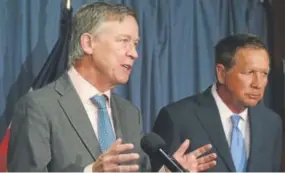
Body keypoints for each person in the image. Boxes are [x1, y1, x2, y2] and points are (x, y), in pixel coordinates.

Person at [7, 2, 217, 172]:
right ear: (88, 43)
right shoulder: (38, 107)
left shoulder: (129, 113)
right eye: (124, 41)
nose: (134, 53)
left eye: (135, 43)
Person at [152, 33, 283, 172]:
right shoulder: (177, 118)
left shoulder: (272, 123)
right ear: (221, 73)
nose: (258, 84)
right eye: (249, 72)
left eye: (264, 74)